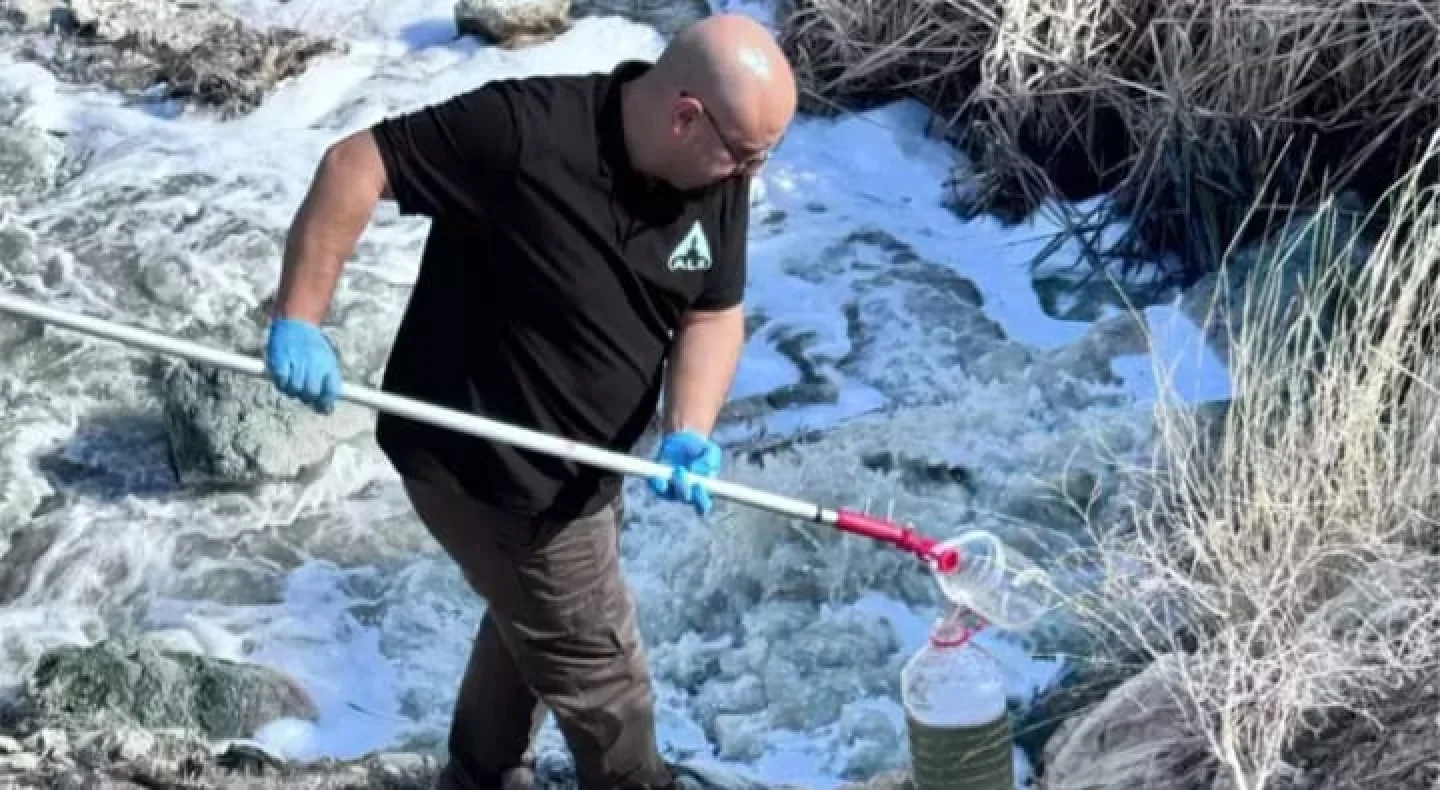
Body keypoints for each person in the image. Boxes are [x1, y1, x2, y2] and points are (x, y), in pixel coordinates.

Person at [263, 12, 798, 790]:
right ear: (686, 116)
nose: (751, 175)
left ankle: (480, 775)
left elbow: (713, 311)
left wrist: (688, 429)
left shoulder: (716, 173)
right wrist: (300, 321)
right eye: (744, 156)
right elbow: (356, 165)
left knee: (535, 623)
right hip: (492, 471)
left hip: (588, 464)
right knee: (608, 683)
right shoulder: (523, 131)